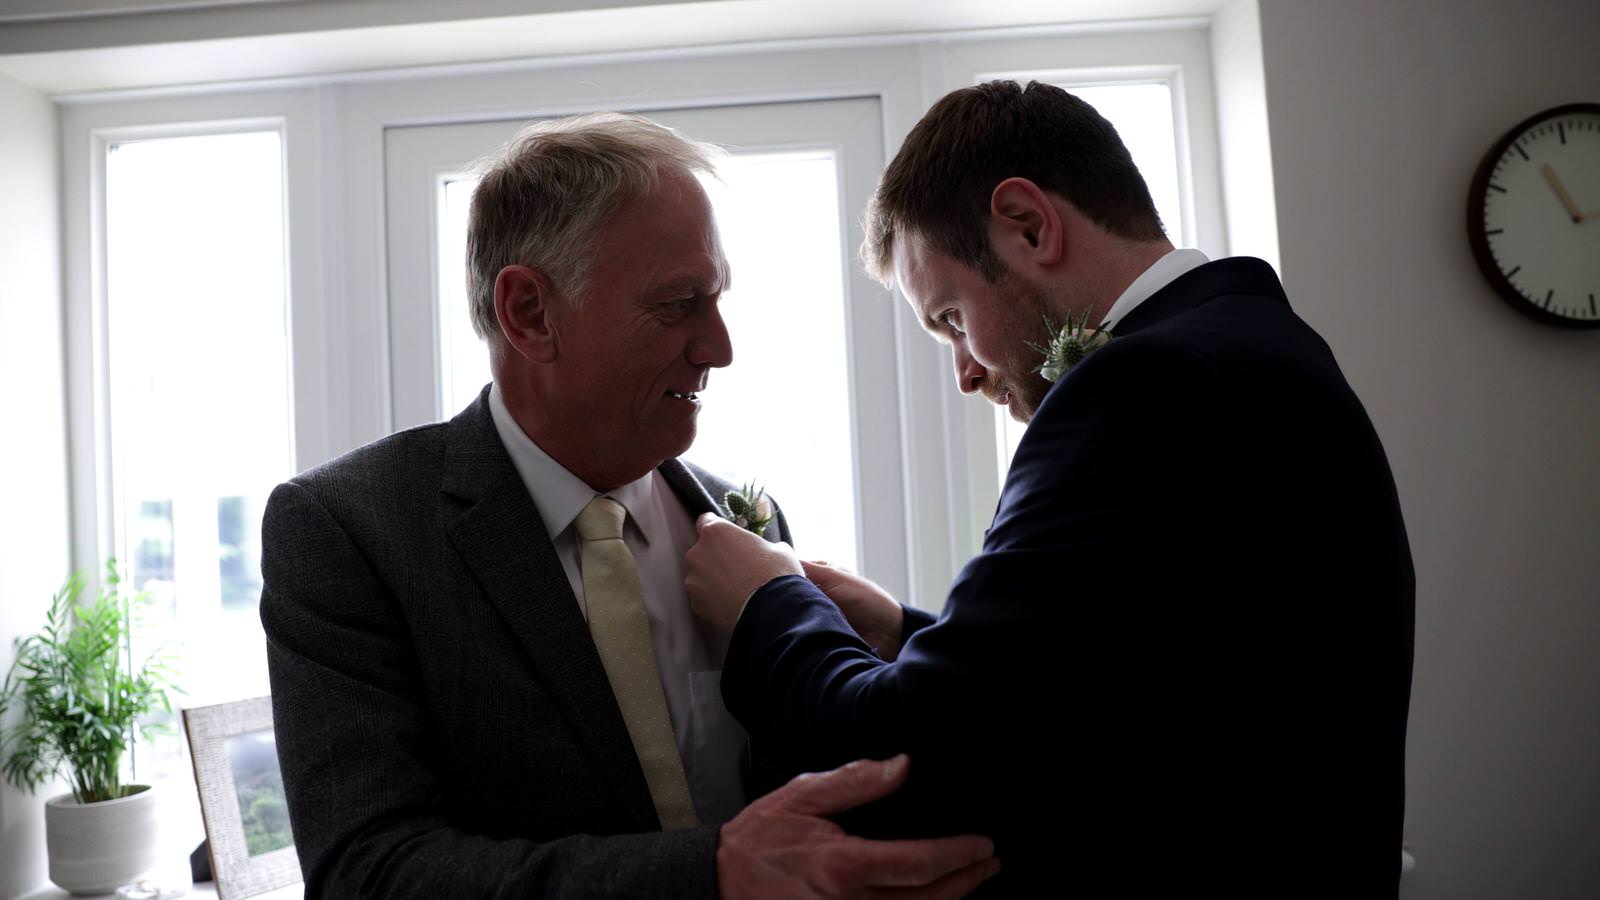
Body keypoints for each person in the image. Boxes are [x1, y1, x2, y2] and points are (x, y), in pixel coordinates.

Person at [685, 81, 1416, 896]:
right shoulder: (1254, 346)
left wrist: (768, 603)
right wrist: (900, 631)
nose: (964, 372)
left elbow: (924, 757)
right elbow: (1125, 692)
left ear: (1029, 225)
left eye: (953, 319)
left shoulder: (1138, 389)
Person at [260, 112, 997, 899]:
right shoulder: (348, 533)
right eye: (681, 303)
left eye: (717, 299)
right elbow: (367, 875)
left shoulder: (750, 523)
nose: (720, 347)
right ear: (530, 313)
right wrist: (709, 875)